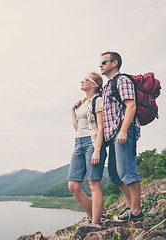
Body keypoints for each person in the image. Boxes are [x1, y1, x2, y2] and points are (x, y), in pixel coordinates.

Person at [100, 51, 144, 222]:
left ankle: (136, 212)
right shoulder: (107, 86)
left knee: (127, 172)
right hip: (113, 135)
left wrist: (124, 130)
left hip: (123, 130)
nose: (101, 65)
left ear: (114, 63)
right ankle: (130, 206)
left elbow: (131, 105)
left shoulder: (122, 80)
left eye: (104, 62)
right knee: (114, 174)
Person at [68, 72, 107, 225]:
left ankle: (95, 223)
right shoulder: (83, 103)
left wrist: (97, 149)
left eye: (86, 80)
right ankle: (93, 218)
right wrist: (73, 111)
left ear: (94, 84)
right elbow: (77, 127)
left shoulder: (98, 101)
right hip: (79, 142)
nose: (82, 81)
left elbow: (101, 127)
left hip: (92, 143)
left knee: (93, 184)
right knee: (73, 186)